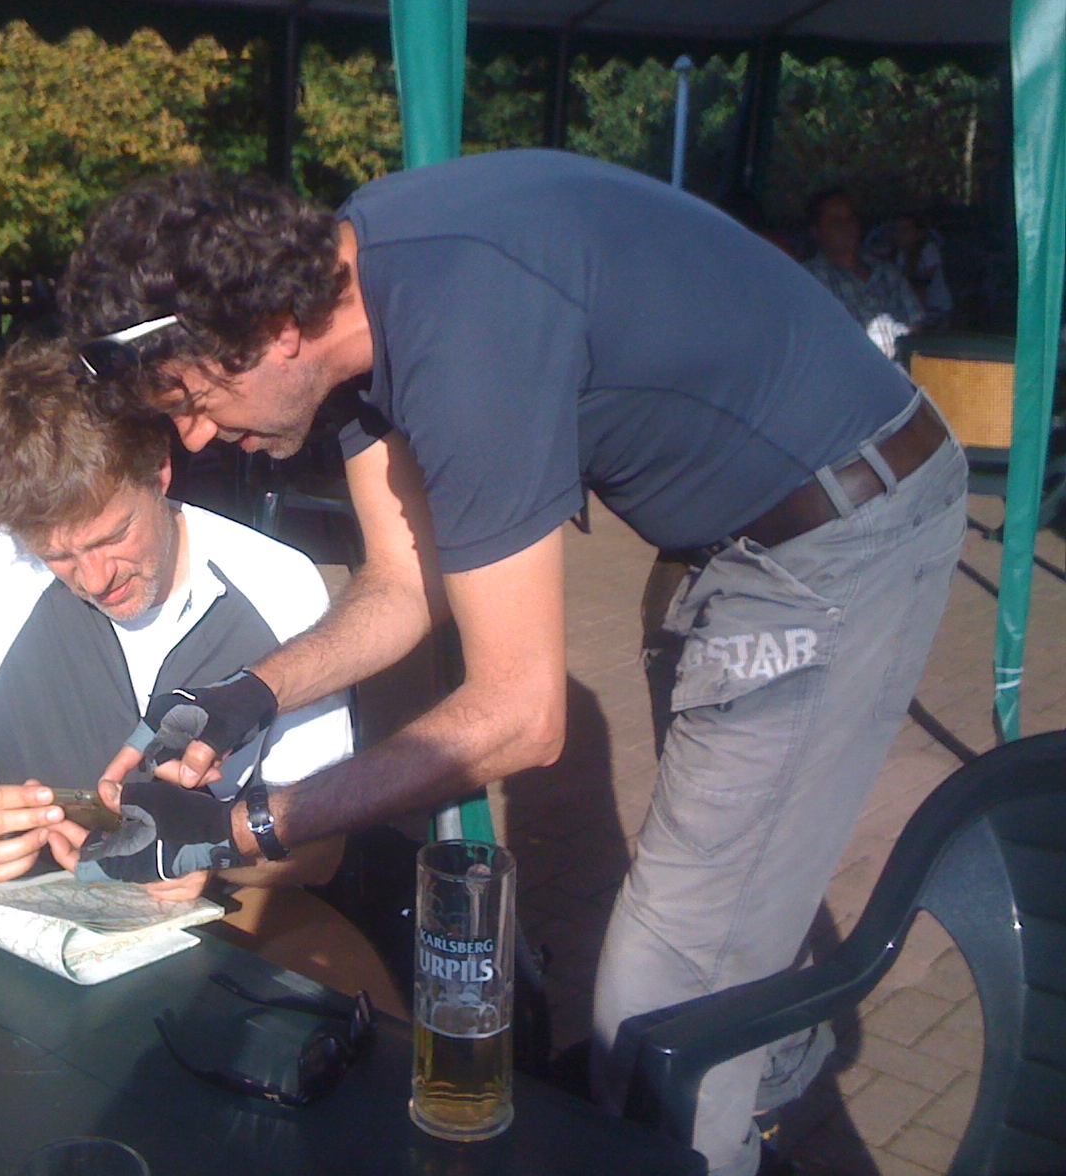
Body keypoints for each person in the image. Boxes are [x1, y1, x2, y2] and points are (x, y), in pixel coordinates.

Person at [56, 154, 967, 1176]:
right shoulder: (351, 293)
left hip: (839, 536)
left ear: (274, 329)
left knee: (661, 1002)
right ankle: (753, 1071)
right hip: (728, 539)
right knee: (729, 910)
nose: (194, 437)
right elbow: (402, 586)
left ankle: (708, 1125)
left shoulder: (463, 333)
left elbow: (522, 716)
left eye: (191, 398)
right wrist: (244, 696)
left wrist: (239, 828)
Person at [0, 339, 352, 899]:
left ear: (160, 470)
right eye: (58, 556)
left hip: (220, 923)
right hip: (36, 913)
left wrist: (217, 854)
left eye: (113, 536)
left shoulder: (280, 585)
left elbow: (324, 849)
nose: (95, 578)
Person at [802, 187, 927, 355]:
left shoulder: (888, 273)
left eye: (850, 218)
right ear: (815, 231)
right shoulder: (806, 280)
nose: (846, 226)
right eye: (836, 221)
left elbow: (916, 325)